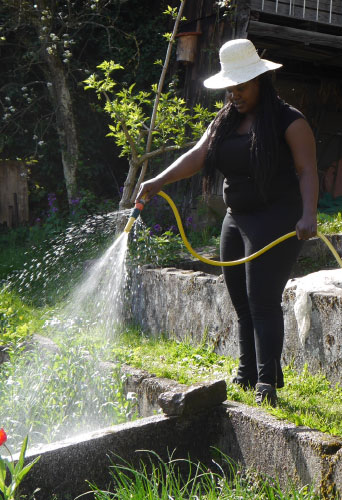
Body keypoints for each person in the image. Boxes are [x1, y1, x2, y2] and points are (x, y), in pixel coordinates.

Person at [136, 39, 319, 407]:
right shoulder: (226, 120)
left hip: (277, 218)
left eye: (241, 87)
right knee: (241, 303)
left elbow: (307, 170)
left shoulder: (289, 121)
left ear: (260, 81)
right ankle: (246, 372)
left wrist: (308, 214)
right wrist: (158, 181)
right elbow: (197, 155)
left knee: (262, 300)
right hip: (236, 219)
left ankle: (267, 382)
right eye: (230, 89)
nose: (234, 95)